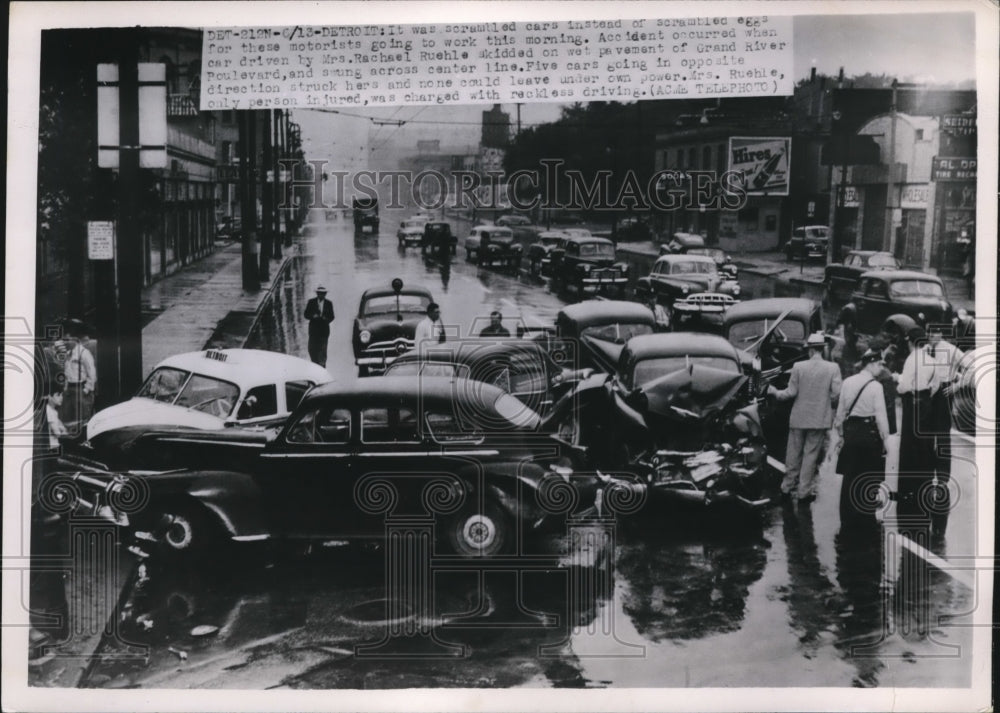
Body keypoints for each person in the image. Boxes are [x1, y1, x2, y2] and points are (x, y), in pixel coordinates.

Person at [894, 324, 963, 540]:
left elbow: (904, 386)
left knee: (909, 450)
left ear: (910, 342)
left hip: (912, 404)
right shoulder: (931, 361)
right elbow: (934, 386)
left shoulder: (912, 359)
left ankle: (910, 501)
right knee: (924, 446)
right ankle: (926, 488)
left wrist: (897, 381)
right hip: (926, 403)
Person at [770, 332, 843, 504]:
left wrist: (774, 392)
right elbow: (836, 394)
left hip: (798, 417)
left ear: (810, 350)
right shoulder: (833, 368)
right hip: (818, 419)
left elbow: (790, 393)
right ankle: (803, 492)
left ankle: (786, 488)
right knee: (810, 456)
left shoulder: (798, 367)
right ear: (822, 349)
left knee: (793, 454)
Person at [834, 348, 890, 532]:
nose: (881, 369)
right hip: (869, 433)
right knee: (868, 477)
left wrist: (841, 436)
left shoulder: (848, 382)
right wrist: (886, 441)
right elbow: (881, 416)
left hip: (851, 432)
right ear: (871, 364)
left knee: (849, 476)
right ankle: (865, 519)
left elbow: (840, 413)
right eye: (879, 365)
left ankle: (846, 516)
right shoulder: (876, 386)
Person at [61, 322, 96, 435]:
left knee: (83, 420)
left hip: (81, 389)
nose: (64, 342)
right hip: (70, 390)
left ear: (74, 339)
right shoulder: (68, 354)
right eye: (63, 340)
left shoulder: (84, 353)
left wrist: (86, 390)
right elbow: (67, 371)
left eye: (67, 340)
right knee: (70, 420)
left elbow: (92, 374)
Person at [303, 286, 334, 367]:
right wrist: (313, 316)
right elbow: (306, 314)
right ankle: (315, 365)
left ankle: (322, 367)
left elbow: (332, 316)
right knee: (312, 350)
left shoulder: (329, 303)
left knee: (322, 352)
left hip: (324, 332)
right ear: (317, 294)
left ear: (325, 294)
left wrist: (326, 319)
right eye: (319, 293)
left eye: (323, 294)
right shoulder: (311, 302)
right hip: (313, 331)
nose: (321, 295)